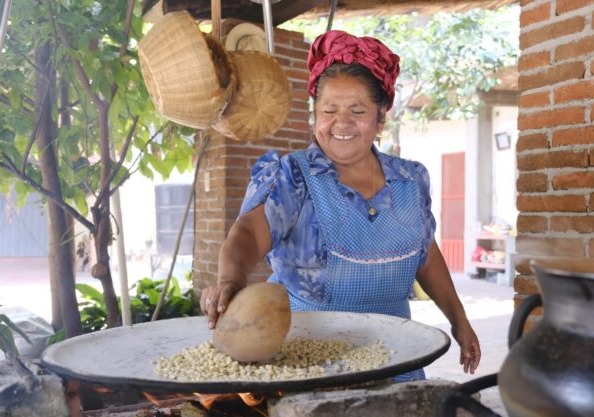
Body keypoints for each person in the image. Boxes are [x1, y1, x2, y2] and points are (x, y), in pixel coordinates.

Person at [200, 30, 481, 381]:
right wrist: (229, 279)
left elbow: (426, 256)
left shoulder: (410, 181)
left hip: (396, 359)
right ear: (315, 115)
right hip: (308, 363)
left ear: (381, 117)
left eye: (358, 110)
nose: (342, 123)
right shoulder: (293, 177)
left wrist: (460, 321)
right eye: (329, 110)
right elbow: (247, 234)